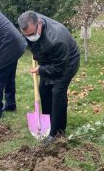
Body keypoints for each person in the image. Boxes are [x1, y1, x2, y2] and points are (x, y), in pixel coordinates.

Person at [18, 11, 80, 143]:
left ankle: (57, 133)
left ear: (39, 23)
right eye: (27, 35)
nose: (30, 37)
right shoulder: (29, 23)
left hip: (67, 62)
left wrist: (41, 69)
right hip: (49, 57)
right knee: (44, 90)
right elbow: (33, 42)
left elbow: (59, 68)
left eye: (32, 34)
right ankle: (48, 123)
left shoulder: (57, 39)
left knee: (57, 93)